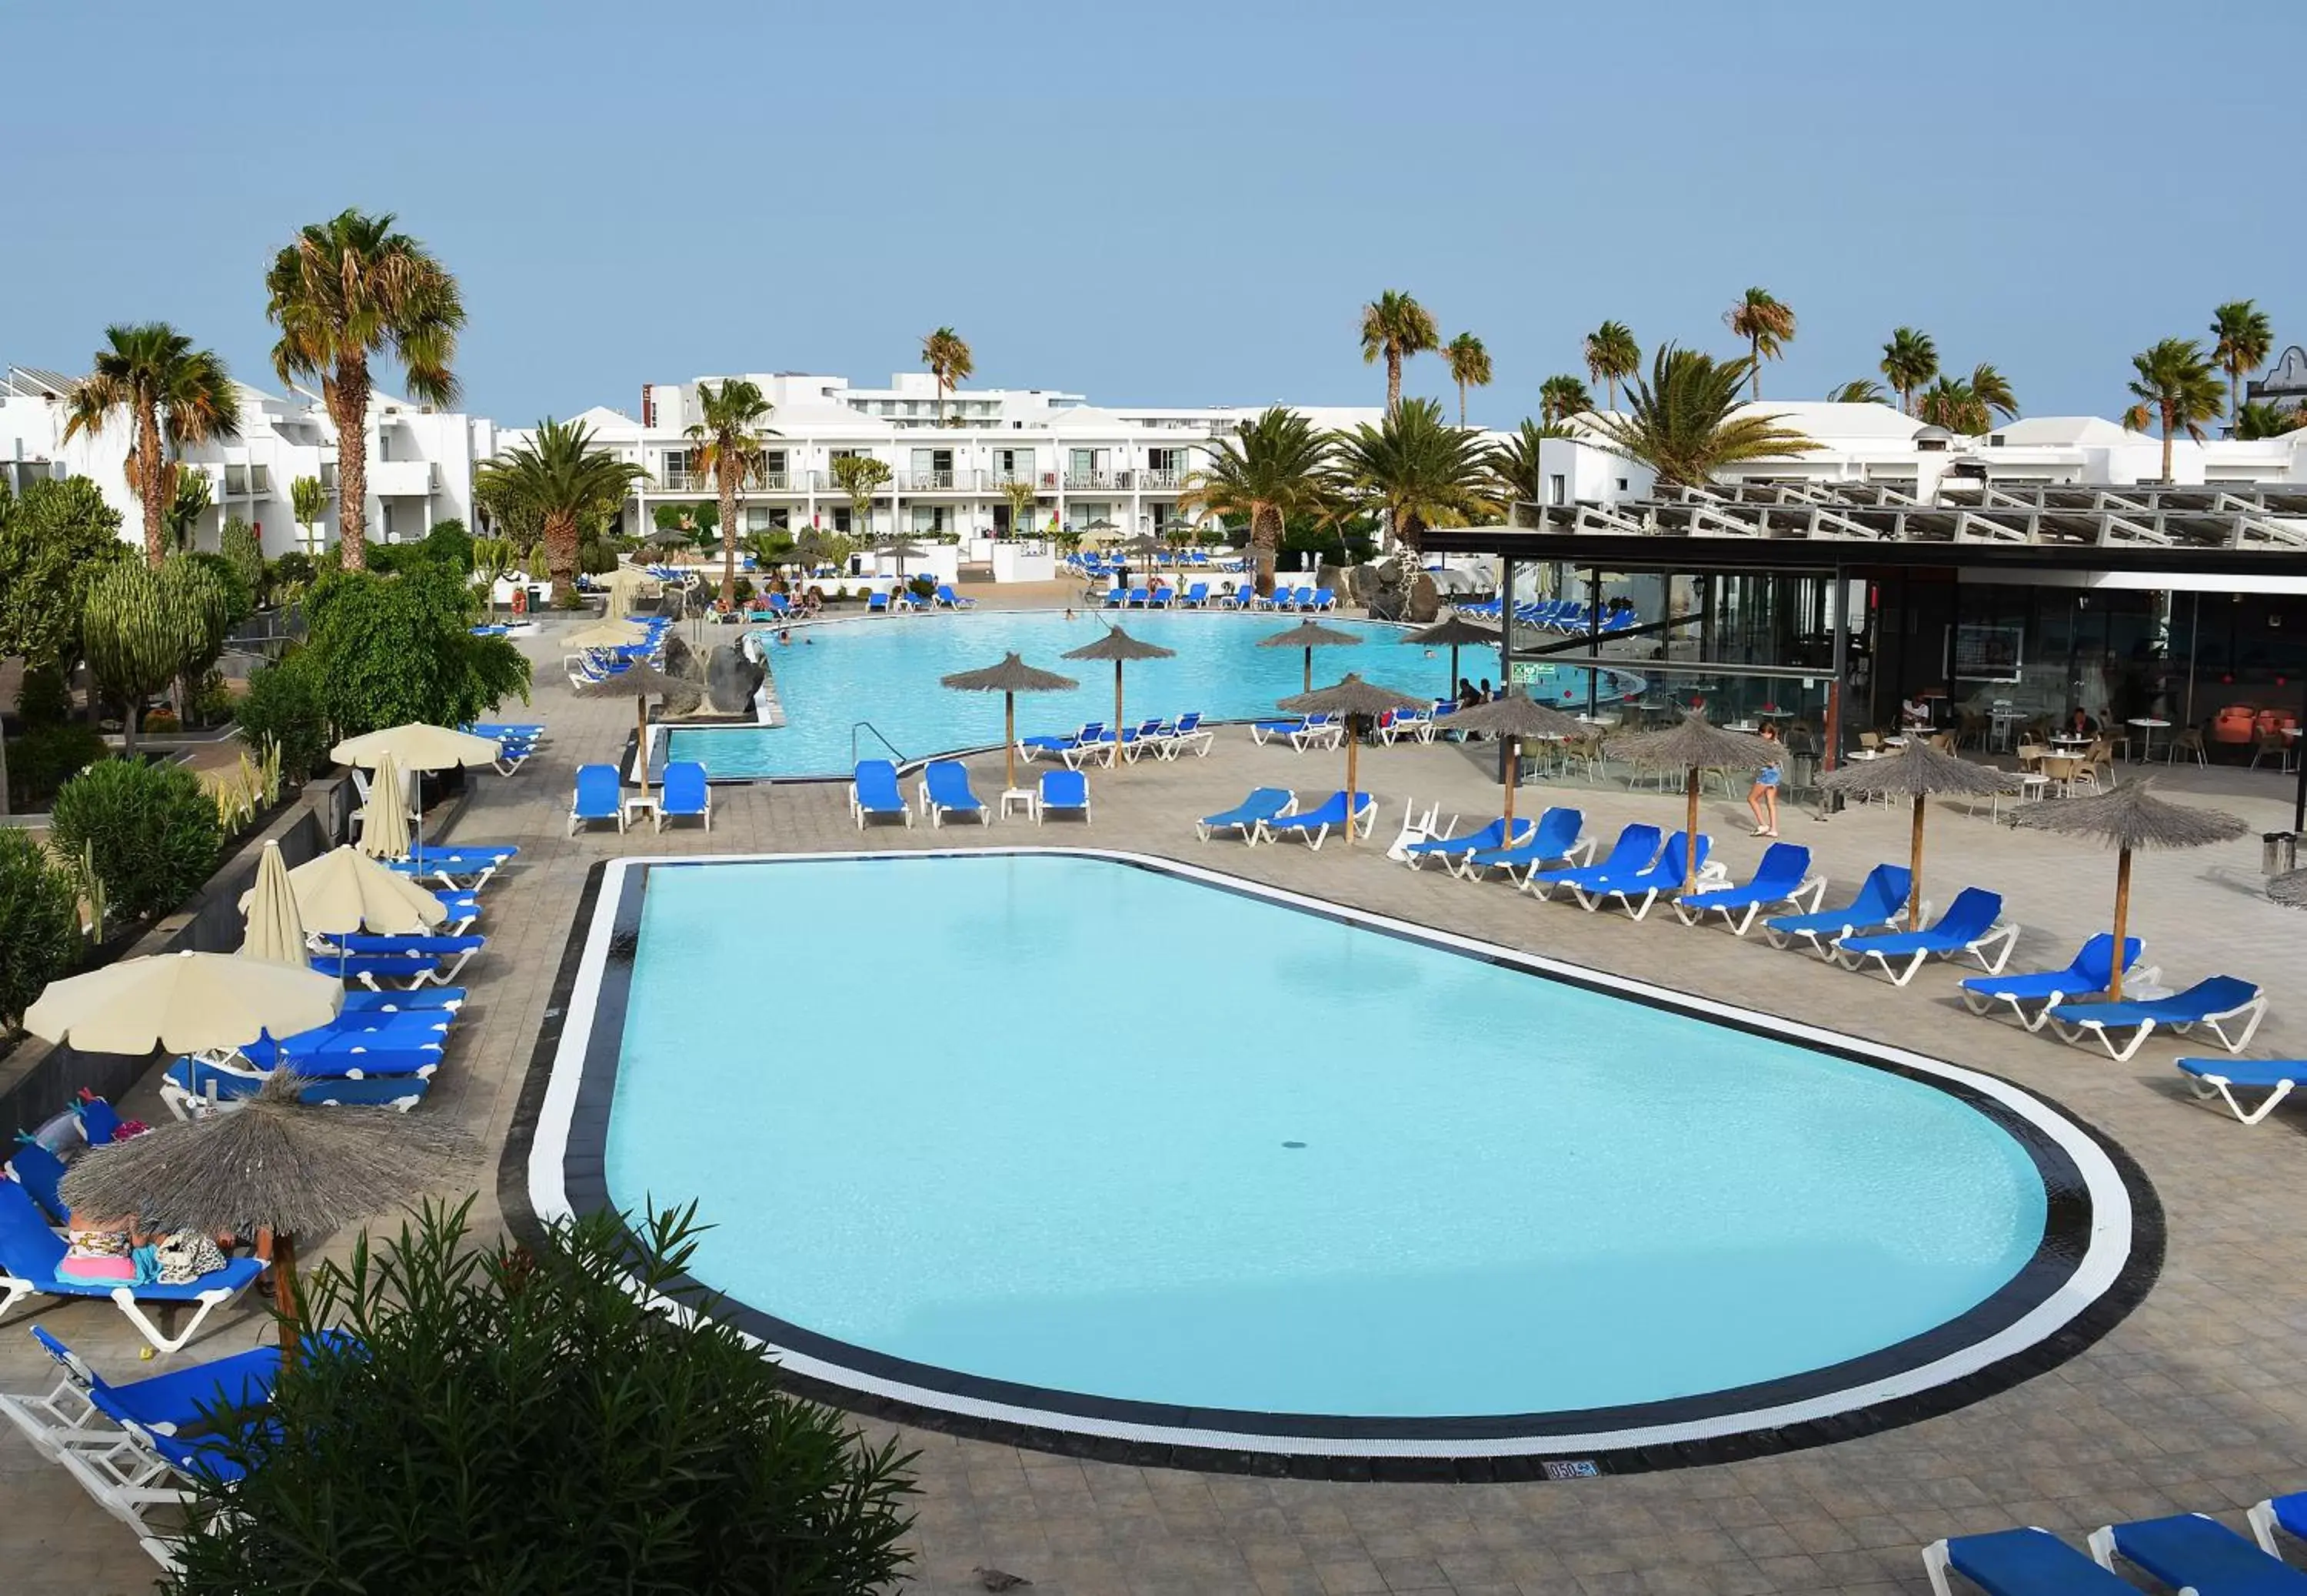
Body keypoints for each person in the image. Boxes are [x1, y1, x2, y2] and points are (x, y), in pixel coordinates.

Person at [1747, 723, 1783, 838]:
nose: (1763, 735)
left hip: (1768, 774)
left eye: (1765, 733)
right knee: (1770, 802)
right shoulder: (1776, 743)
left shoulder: (1769, 745)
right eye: (1762, 733)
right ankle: (1773, 829)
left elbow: (1771, 763)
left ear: (1770, 733)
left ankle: (1763, 825)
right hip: (1775, 774)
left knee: (1752, 798)